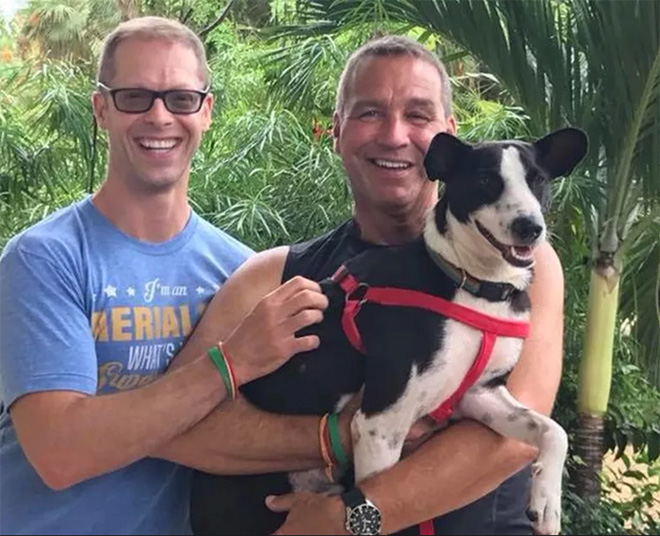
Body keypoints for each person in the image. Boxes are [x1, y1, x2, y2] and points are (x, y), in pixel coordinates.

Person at [167, 36, 566, 535]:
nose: (395, 135)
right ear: (335, 131)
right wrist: (332, 438)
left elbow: (512, 440)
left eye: (418, 115)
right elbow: (179, 428)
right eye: (370, 113)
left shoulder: (524, 264)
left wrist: (345, 517)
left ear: (448, 136)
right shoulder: (274, 276)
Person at [0, 16, 330, 535]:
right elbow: (59, 454)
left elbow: (244, 436)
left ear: (207, 112)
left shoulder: (239, 271)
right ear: (100, 109)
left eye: (180, 99)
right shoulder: (44, 259)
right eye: (135, 97)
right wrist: (232, 362)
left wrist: (346, 444)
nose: (159, 116)